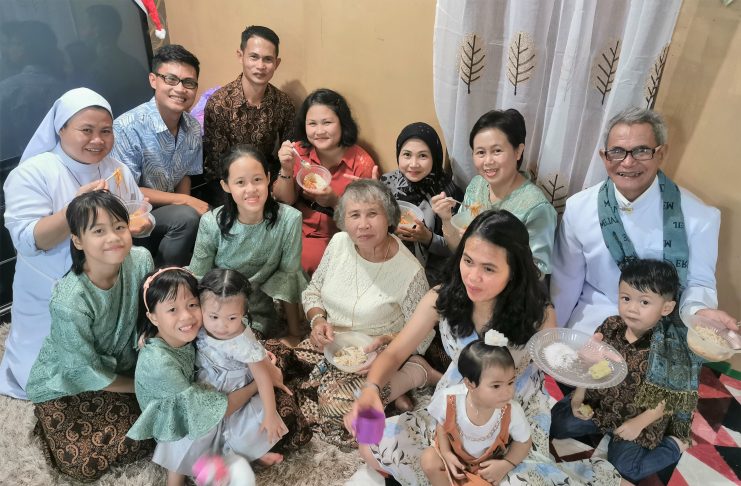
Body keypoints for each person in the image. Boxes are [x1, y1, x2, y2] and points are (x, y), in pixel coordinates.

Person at [345, 210, 621, 486]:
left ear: (513, 271)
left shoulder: (538, 314)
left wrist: (584, 362)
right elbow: (395, 353)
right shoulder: (441, 298)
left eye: (488, 268)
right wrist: (371, 390)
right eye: (468, 261)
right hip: (459, 402)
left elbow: (558, 361)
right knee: (370, 445)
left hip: (513, 407)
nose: (473, 277)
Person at [1, 87, 149, 399]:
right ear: (61, 129)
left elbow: (138, 212)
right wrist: (74, 209)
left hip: (109, 281)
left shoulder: (116, 169)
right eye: (86, 130)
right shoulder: (33, 173)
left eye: (106, 131)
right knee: (57, 378)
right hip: (51, 284)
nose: (98, 140)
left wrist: (145, 223)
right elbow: (28, 240)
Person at [551, 107, 739, 334]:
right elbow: (566, 281)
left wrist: (697, 313)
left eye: (641, 151)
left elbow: (698, 284)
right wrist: (553, 336)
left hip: (662, 329)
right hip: (592, 321)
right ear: (604, 156)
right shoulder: (579, 208)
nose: (628, 162)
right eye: (617, 151)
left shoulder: (701, 217)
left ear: (661, 153)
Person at [291, 179, 438, 448]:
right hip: (331, 345)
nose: (363, 224)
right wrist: (318, 320)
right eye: (354, 215)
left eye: (372, 214)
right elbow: (313, 291)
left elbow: (425, 334)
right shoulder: (339, 243)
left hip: (375, 357)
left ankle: (407, 377)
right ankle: (392, 394)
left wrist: (387, 346)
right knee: (281, 367)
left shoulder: (409, 271)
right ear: (343, 220)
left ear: (389, 217)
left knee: (334, 407)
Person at [26, 191, 155, 481]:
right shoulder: (69, 300)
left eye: (119, 226)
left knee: (165, 418)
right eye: (98, 231)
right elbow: (80, 371)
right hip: (68, 380)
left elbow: (149, 316)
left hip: (122, 366)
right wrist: (141, 386)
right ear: (78, 240)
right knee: (83, 463)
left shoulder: (141, 260)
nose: (113, 237)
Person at [127, 267, 289, 486]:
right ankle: (176, 480)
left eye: (192, 305)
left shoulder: (199, 325)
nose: (187, 316)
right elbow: (214, 410)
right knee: (187, 437)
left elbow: (243, 340)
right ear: (153, 317)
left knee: (247, 423)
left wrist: (264, 365)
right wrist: (255, 385)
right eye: (172, 309)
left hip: (211, 390)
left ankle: (246, 456)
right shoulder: (160, 363)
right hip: (181, 409)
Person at [551, 259, 696, 485]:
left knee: (625, 467)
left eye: (644, 302)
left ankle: (674, 445)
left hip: (641, 416)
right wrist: (579, 396)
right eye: (626, 298)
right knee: (557, 424)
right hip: (601, 404)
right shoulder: (610, 326)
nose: (632, 308)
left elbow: (670, 398)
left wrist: (638, 423)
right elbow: (590, 367)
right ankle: (595, 423)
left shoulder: (669, 346)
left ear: (666, 308)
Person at [188, 145, 306, 343]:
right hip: (217, 311)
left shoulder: (289, 220)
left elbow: (289, 277)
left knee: (246, 349)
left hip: (258, 313)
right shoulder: (211, 223)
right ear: (226, 185)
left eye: (257, 180)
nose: (251, 189)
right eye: (240, 182)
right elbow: (199, 278)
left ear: (268, 178)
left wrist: (295, 334)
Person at [113, 44, 206, 267]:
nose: (180, 89)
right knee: (187, 216)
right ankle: (161, 278)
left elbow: (185, 174)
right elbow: (127, 192)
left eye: (189, 83)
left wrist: (185, 205)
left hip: (169, 211)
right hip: (132, 214)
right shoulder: (126, 127)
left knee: (199, 217)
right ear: (153, 80)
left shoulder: (193, 127)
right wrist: (184, 202)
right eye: (171, 79)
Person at [431, 109, 556, 275]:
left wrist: (489, 245)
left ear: (518, 151)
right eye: (481, 152)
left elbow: (537, 272)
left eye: (497, 151)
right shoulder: (477, 185)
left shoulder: (536, 207)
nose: (488, 161)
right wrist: (446, 218)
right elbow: (457, 249)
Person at [273, 88, 378, 274]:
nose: (319, 131)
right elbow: (284, 200)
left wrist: (334, 201)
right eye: (312, 124)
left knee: (301, 262)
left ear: (342, 123)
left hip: (334, 235)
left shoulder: (361, 163)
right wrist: (286, 168)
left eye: (327, 122)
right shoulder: (299, 152)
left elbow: (366, 223)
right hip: (293, 226)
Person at [196, 268, 291, 465]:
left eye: (232, 318)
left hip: (238, 392)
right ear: (200, 308)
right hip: (208, 387)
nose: (221, 326)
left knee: (244, 431)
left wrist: (270, 414)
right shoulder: (199, 325)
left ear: (243, 313)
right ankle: (225, 456)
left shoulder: (243, 342)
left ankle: (253, 454)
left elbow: (263, 379)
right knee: (199, 432)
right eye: (214, 317)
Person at [199, 25, 295, 207]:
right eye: (254, 57)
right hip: (227, 182)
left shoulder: (284, 103)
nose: (260, 66)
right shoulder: (219, 103)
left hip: (264, 177)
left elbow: (291, 149)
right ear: (240, 56)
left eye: (268, 59)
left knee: (286, 209)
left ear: (277, 63)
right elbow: (218, 164)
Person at [421, 331, 532, 486]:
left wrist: (506, 464)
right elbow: (442, 424)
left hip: (484, 469)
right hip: (454, 457)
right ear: (469, 384)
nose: (508, 392)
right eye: (496, 386)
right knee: (428, 460)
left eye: (511, 382)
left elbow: (524, 442)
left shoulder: (512, 411)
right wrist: (446, 453)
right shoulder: (450, 399)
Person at [381, 122, 463, 287]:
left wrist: (428, 238)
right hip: (390, 262)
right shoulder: (388, 183)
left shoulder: (448, 193)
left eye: (423, 156)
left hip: (433, 273)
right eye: (407, 155)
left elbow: (457, 249)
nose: (413, 164)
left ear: (435, 157)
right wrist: (388, 228)